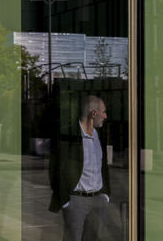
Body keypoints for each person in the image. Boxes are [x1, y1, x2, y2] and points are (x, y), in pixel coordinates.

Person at [49, 95, 110, 241]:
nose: (105, 116)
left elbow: (103, 167)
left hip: (98, 199)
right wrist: (65, 201)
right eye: (103, 111)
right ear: (93, 113)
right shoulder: (68, 135)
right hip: (76, 201)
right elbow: (55, 170)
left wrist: (105, 195)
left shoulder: (99, 135)